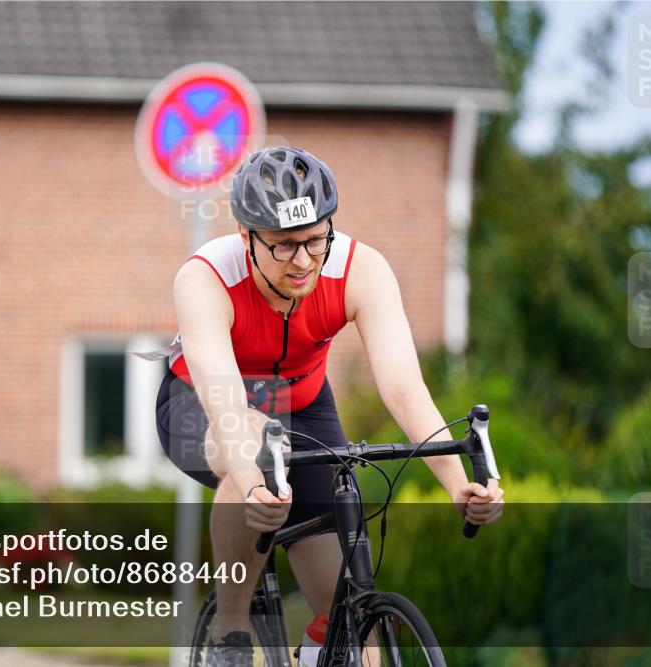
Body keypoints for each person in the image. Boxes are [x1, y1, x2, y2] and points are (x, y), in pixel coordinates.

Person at [154, 146, 504, 665]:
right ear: (246, 236)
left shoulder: (362, 270)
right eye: (284, 245)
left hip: (304, 404)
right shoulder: (206, 278)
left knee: (347, 620)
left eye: (316, 239)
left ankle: (328, 646)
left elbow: (405, 389)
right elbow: (226, 407)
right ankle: (229, 634)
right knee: (246, 448)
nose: (303, 261)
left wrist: (460, 485)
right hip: (204, 406)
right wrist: (253, 484)